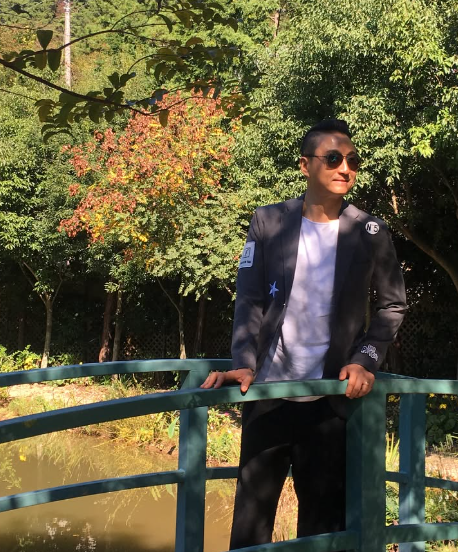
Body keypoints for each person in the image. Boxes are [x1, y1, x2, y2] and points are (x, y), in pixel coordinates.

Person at [201, 119, 406, 548]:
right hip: (267, 397)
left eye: (352, 160)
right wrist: (243, 363)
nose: (345, 168)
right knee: (250, 529)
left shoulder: (370, 232)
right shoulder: (268, 221)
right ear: (305, 165)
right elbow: (249, 299)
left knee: (323, 532)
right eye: (333, 158)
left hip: (330, 402)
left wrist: (366, 359)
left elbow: (392, 305)